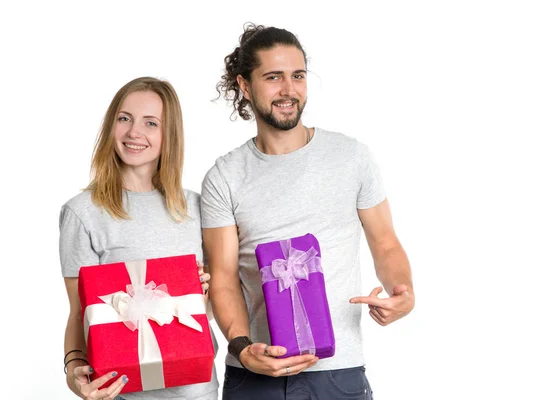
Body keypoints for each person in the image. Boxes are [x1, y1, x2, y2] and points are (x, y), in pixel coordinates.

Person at [201, 24, 415, 400]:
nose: (289, 90)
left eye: (297, 76)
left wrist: (403, 291)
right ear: (245, 86)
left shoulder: (350, 157)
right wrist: (242, 347)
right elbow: (222, 277)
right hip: (255, 373)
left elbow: (385, 243)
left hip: (338, 372)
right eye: (273, 77)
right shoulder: (224, 176)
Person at [59, 77, 219, 400]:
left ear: (168, 134)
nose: (134, 132)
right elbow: (80, 312)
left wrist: (205, 290)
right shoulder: (83, 213)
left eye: (151, 123)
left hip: (198, 391)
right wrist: (75, 375)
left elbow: (212, 309)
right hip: (124, 393)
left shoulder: (197, 207)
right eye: (124, 119)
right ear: (110, 126)